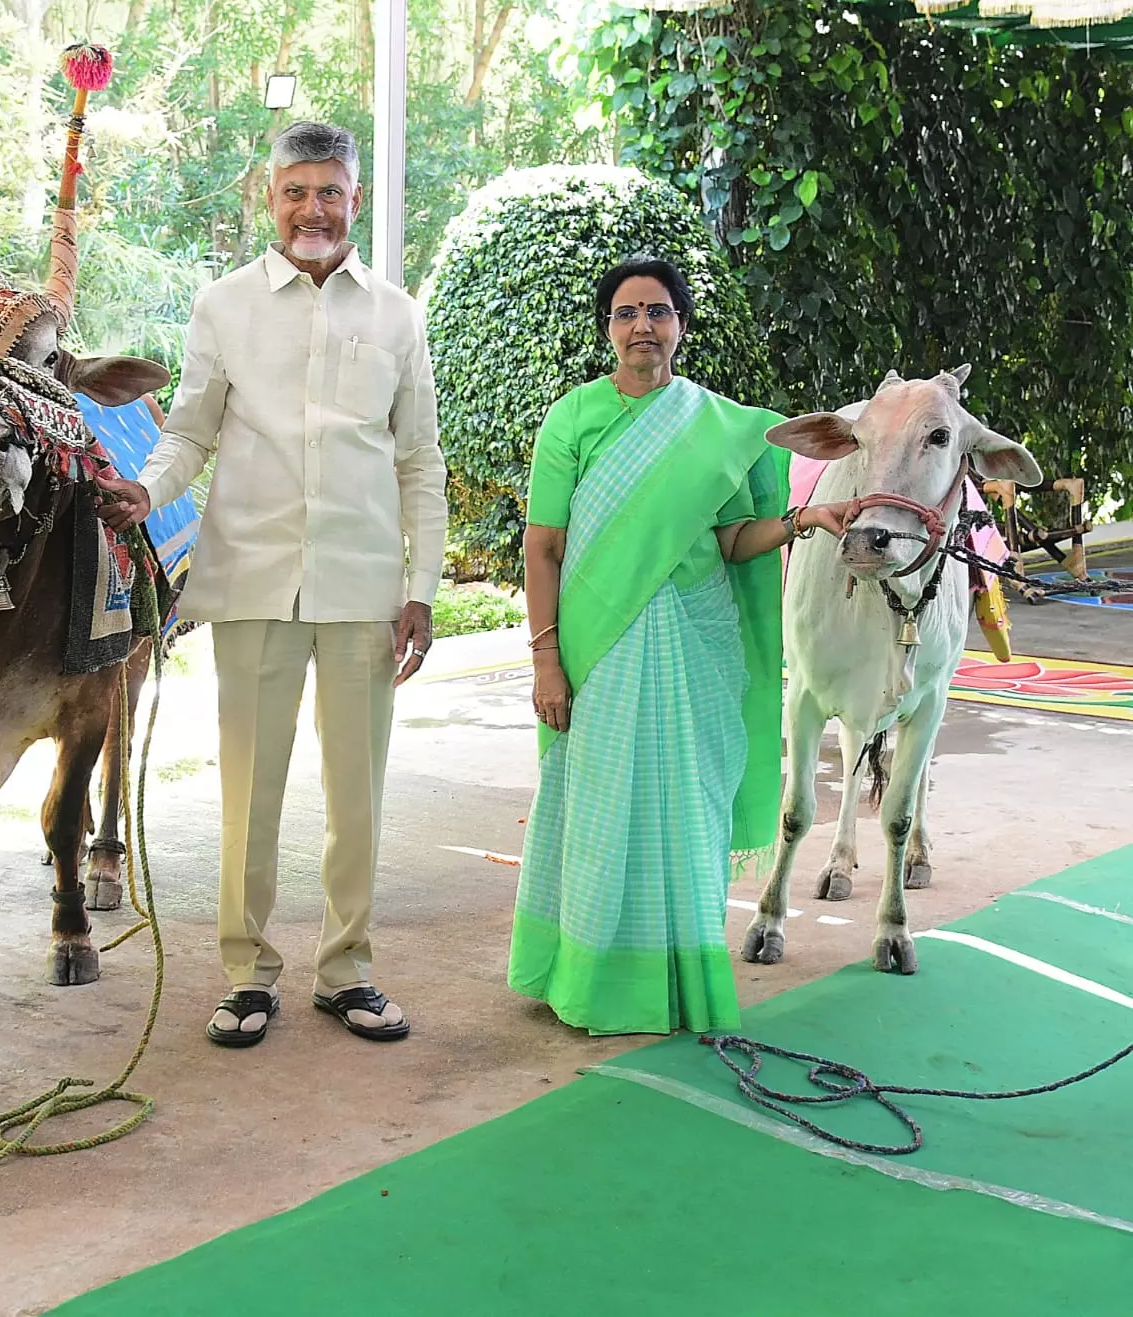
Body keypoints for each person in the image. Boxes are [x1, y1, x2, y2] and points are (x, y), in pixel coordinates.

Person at [96, 121, 447, 1047]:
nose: (312, 209)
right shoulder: (224, 305)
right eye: (296, 190)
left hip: (365, 585)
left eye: (329, 191)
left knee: (356, 788)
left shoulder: (398, 316)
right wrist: (145, 490)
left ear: (355, 200)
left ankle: (349, 968)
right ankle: (247, 972)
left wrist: (424, 585)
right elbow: (189, 434)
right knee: (251, 787)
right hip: (252, 580)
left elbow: (419, 462)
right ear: (270, 198)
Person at [511, 255, 845, 1037]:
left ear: (681, 328)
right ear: (608, 329)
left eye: (658, 312)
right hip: (600, 647)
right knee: (600, 805)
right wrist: (546, 656)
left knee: (686, 810)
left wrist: (803, 521)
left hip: (696, 642)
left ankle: (680, 978)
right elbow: (544, 546)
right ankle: (591, 980)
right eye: (627, 313)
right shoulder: (574, 418)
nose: (642, 327)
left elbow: (732, 539)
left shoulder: (717, 427)